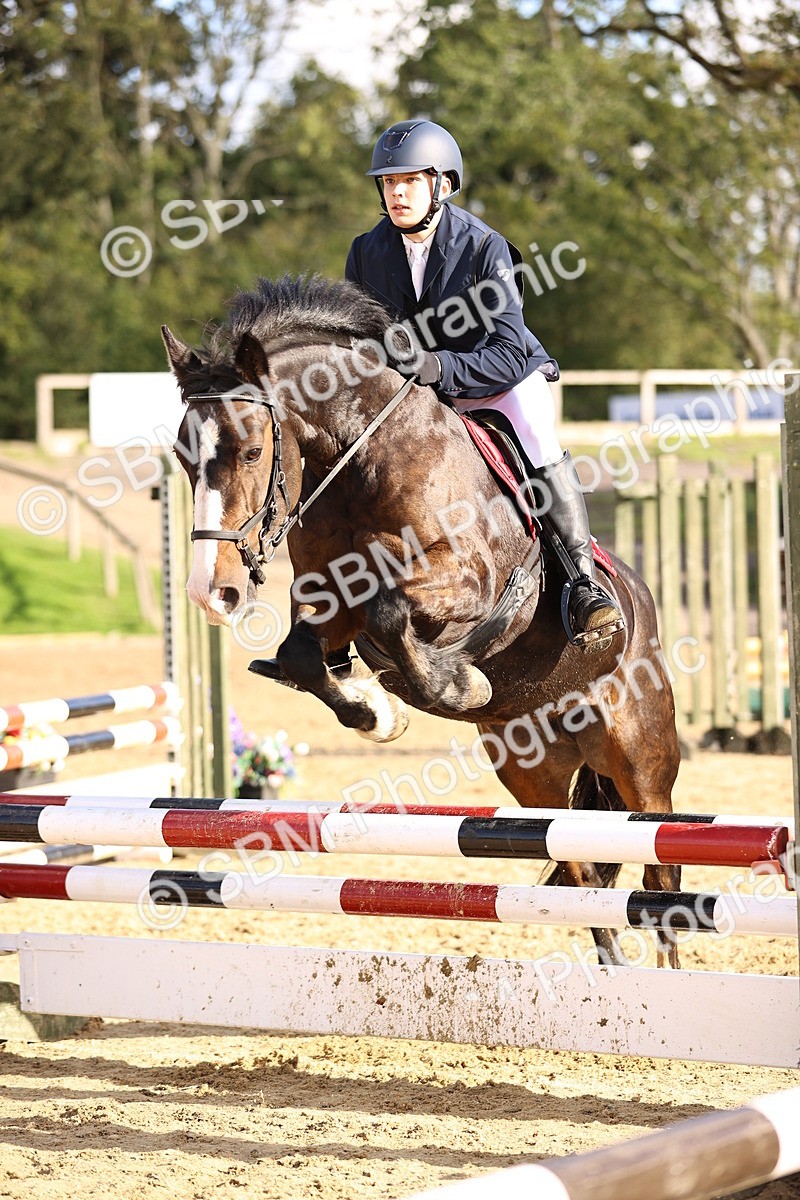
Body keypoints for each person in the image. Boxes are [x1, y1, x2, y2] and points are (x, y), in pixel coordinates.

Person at [344, 118, 624, 649]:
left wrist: (439, 369)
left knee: (539, 435)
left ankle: (583, 584)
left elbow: (508, 350)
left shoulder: (485, 249)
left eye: (409, 180)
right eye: (388, 182)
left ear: (442, 185)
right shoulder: (366, 251)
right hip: (418, 394)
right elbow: (362, 339)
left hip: (499, 377)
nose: (396, 192)